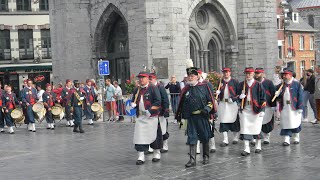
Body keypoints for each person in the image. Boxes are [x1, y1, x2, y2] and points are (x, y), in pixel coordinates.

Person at [176, 67, 216, 167]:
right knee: (192, 138)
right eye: (189, 76)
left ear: (197, 77)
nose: (190, 78)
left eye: (192, 76)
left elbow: (210, 101)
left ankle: (206, 157)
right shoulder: (186, 89)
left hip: (202, 117)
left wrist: (206, 109)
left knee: (204, 137)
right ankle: (192, 160)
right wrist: (182, 116)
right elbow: (182, 104)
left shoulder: (204, 87)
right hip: (191, 118)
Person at [131, 71, 162, 165]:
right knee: (139, 136)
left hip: (151, 117)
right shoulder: (137, 89)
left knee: (154, 135)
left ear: (148, 78)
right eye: (139, 77)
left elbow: (158, 101)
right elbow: (134, 100)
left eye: (143, 77)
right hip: (141, 117)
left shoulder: (153, 88)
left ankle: (156, 153)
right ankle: (141, 156)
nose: (141, 79)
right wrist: (132, 104)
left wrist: (151, 110)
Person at [237, 67, 266, 156]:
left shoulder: (258, 85)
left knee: (256, 128)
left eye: (250, 73)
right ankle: (246, 148)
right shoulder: (241, 84)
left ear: (253, 74)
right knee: (245, 128)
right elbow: (236, 96)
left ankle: (258, 146)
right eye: (246, 73)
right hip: (245, 110)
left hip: (256, 110)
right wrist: (239, 98)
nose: (248, 75)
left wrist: (262, 110)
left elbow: (263, 98)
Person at [274, 70, 303, 146]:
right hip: (284, 107)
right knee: (285, 123)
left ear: (290, 75)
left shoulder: (297, 84)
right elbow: (277, 96)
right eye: (283, 75)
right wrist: (277, 94)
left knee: (295, 122)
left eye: (285, 75)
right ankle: (286, 138)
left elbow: (300, 96)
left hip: (294, 107)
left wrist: (300, 107)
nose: (284, 76)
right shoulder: (280, 85)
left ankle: (296, 136)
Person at [216, 67, 240, 147]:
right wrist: (217, 94)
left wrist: (233, 99)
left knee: (234, 120)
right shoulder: (220, 82)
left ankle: (235, 137)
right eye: (224, 72)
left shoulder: (235, 82)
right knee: (223, 121)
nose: (226, 74)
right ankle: (225, 139)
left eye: (227, 72)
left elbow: (238, 93)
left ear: (230, 73)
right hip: (223, 104)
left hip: (232, 104)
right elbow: (217, 93)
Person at [254, 68, 276, 144]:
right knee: (256, 121)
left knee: (267, 122)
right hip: (256, 106)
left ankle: (267, 137)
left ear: (262, 74)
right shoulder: (253, 83)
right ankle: (255, 136)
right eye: (256, 73)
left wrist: (273, 105)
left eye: (258, 73)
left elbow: (273, 94)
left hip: (267, 105)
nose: (256, 75)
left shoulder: (269, 83)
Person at [149, 73, 170, 153]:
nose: (150, 81)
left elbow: (165, 99)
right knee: (152, 130)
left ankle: (165, 146)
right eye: (149, 79)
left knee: (163, 130)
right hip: (152, 113)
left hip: (160, 112)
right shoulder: (149, 88)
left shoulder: (160, 87)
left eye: (151, 79)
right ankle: (151, 147)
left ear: (155, 79)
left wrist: (166, 111)